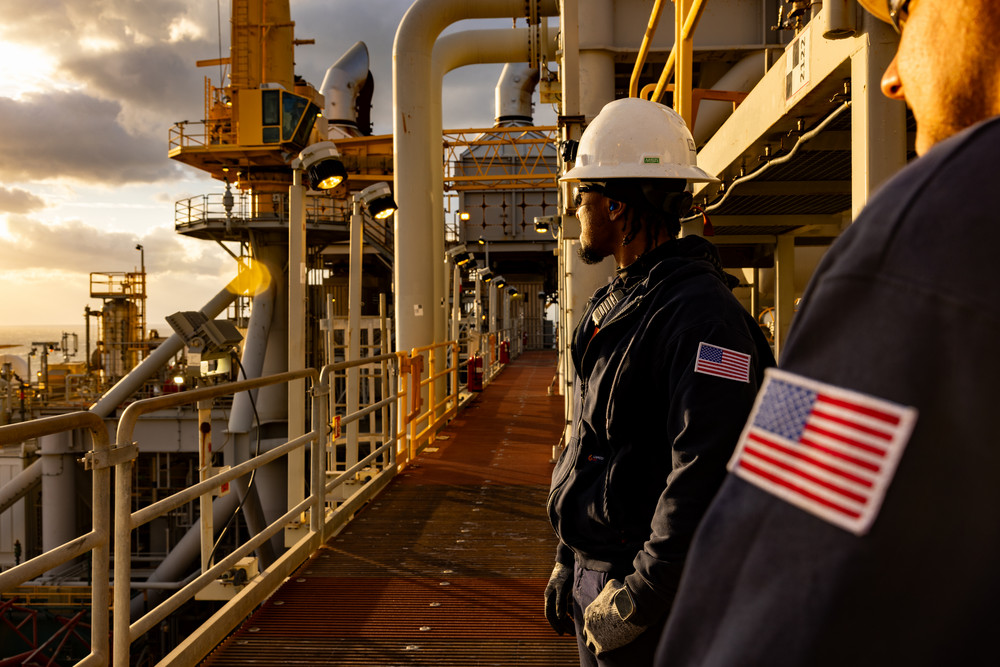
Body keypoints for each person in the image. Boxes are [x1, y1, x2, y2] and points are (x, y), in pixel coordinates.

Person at [654, 1, 1000, 664]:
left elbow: (769, 589)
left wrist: (640, 585)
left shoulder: (926, 239)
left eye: (904, 13)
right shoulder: (618, 312)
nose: (891, 76)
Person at [544, 97, 775, 666]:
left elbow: (706, 466)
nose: (576, 208)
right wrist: (569, 555)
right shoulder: (619, 301)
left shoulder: (704, 318)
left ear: (618, 207)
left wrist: (643, 596)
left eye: (584, 195)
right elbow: (592, 443)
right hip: (598, 575)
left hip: (647, 595)